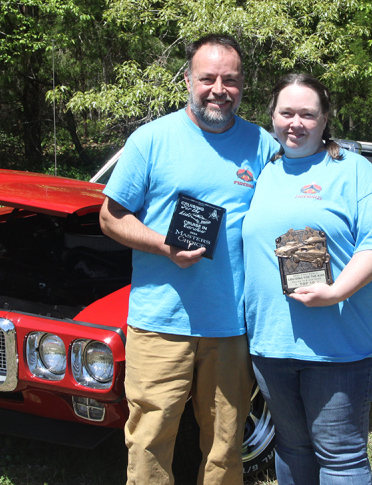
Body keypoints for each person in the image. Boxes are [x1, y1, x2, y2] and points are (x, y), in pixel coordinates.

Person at [99, 34, 280, 485]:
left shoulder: (262, 145)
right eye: (208, 78)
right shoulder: (151, 140)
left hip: (232, 325)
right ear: (187, 80)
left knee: (225, 443)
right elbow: (110, 216)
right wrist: (164, 246)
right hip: (161, 321)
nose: (219, 88)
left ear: (243, 85)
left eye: (231, 80)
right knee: (149, 438)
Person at [242, 73, 372, 485]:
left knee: (340, 458)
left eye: (307, 114)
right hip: (271, 344)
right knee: (292, 448)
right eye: (286, 113)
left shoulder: (352, 170)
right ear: (272, 116)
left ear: (325, 118)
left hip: (339, 348)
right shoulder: (263, 172)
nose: (295, 123)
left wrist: (336, 292)